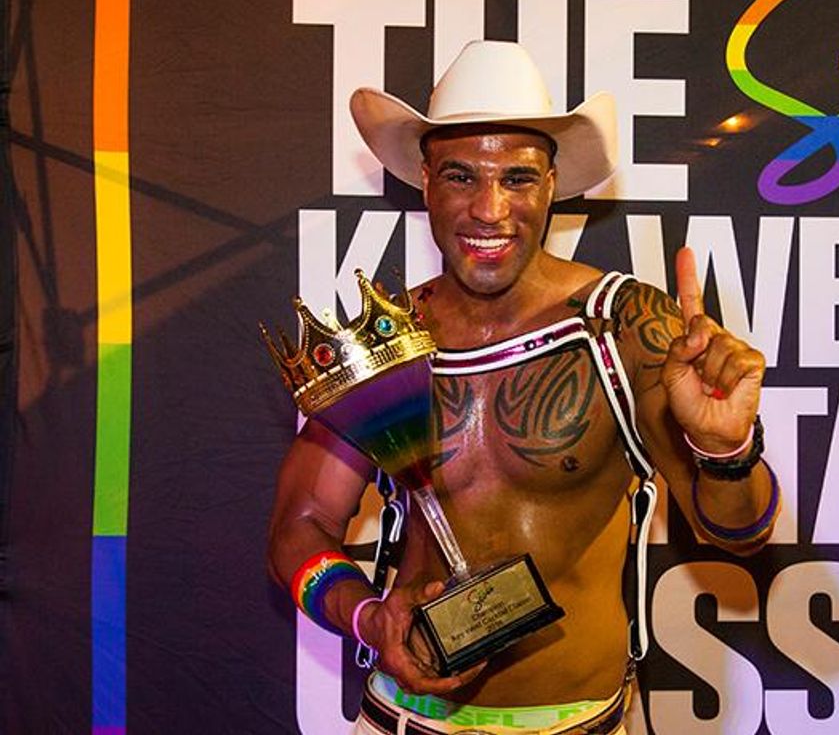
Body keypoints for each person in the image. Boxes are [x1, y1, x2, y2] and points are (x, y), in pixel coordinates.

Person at [267, 40, 780, 735]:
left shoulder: (623, 327)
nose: (490, 209)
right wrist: (367, 616)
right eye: (461, 177)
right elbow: (298, 528)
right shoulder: (385, 345)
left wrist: (726, 449)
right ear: (424, 180)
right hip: (402, 720)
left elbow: (740, 533)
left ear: (552, 185)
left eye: (517, 178)